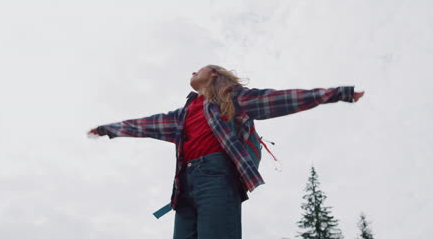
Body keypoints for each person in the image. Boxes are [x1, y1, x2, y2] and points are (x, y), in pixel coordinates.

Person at [87, 65, 365, 239]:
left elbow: (281, 99)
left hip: (217, 179)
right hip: (184, 188)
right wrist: (109, 128)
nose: (192, 71)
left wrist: (337, 93)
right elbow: (146, 124)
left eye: (199, 68)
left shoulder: (233, 98)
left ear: (215, 74)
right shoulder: (183, 115)